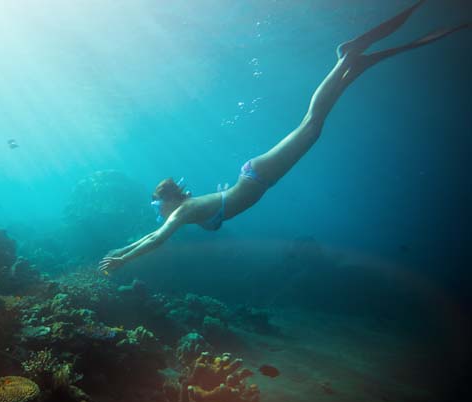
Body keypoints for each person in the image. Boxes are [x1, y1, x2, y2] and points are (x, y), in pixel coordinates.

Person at [98, 0, 469, 273]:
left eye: (155, 206)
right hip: (259, 175)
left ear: (166, 200)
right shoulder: (182, 211)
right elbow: (150, 236)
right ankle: (353, 68)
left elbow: (157, 239)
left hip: (258, 175)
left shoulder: (184, 211)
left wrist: (123, 259)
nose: (157, 214)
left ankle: (344, 57)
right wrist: (119, 250)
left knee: (311, 125)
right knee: (313, 128)